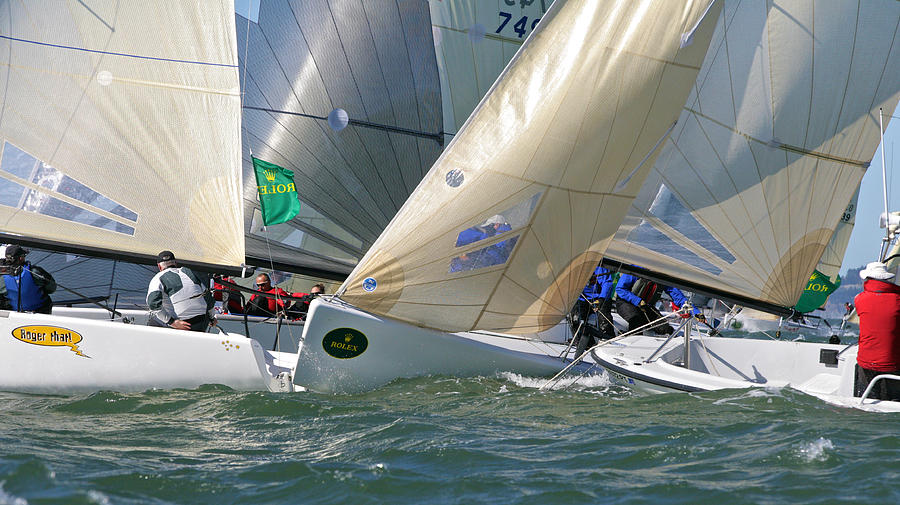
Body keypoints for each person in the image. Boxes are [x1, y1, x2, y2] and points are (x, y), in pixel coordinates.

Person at [852, 261, 900, 401]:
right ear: (887, 279)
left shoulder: (859, 299)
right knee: (894, 402)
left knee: (867, 399)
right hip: (893, 363)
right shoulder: (897, 300)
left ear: (868, 279)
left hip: (866, 361)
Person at [615, 270, 703, 335]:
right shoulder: (636, 269)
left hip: (646, 307)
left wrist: (696, 312)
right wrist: (637, 301)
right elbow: (620, 289)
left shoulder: (663, 277)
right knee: (637, 322)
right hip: (626, 303)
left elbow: (679, 298)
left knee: (665, 329)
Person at [146, 250, 216, 332]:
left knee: (153, 320)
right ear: (175, 263)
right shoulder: (190, 272)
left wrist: (172, 322)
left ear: (159, 266)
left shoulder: (158, 278)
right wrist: (211, 318)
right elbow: (208, 298)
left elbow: (153, 304)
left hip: (181, 324)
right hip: (201, 323)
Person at [570, 265, 615, 357]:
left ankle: (609, 346)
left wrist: (602, 299)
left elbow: (607, 283)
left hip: (600, 297)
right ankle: (584, 345)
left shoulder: (600, 266)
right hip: (582, 299)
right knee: (575, 319)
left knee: (604, 322)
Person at [1, 244, 55, 313]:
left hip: (18, 316)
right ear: (21, 258)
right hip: (41, 313)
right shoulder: (35, 272)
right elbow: (52, 288)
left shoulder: (2, 278)